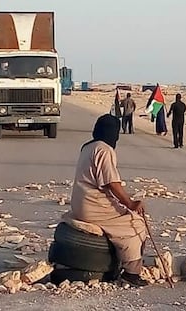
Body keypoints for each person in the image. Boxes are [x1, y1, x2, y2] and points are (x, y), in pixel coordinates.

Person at [70, 114, 148, 287]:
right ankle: (131, 272)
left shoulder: (88, 146)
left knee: (125, 215)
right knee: (134, 225)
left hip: (79, 203)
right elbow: (111, 182)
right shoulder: (104, 150)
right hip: (93, 205)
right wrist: (130, 204)